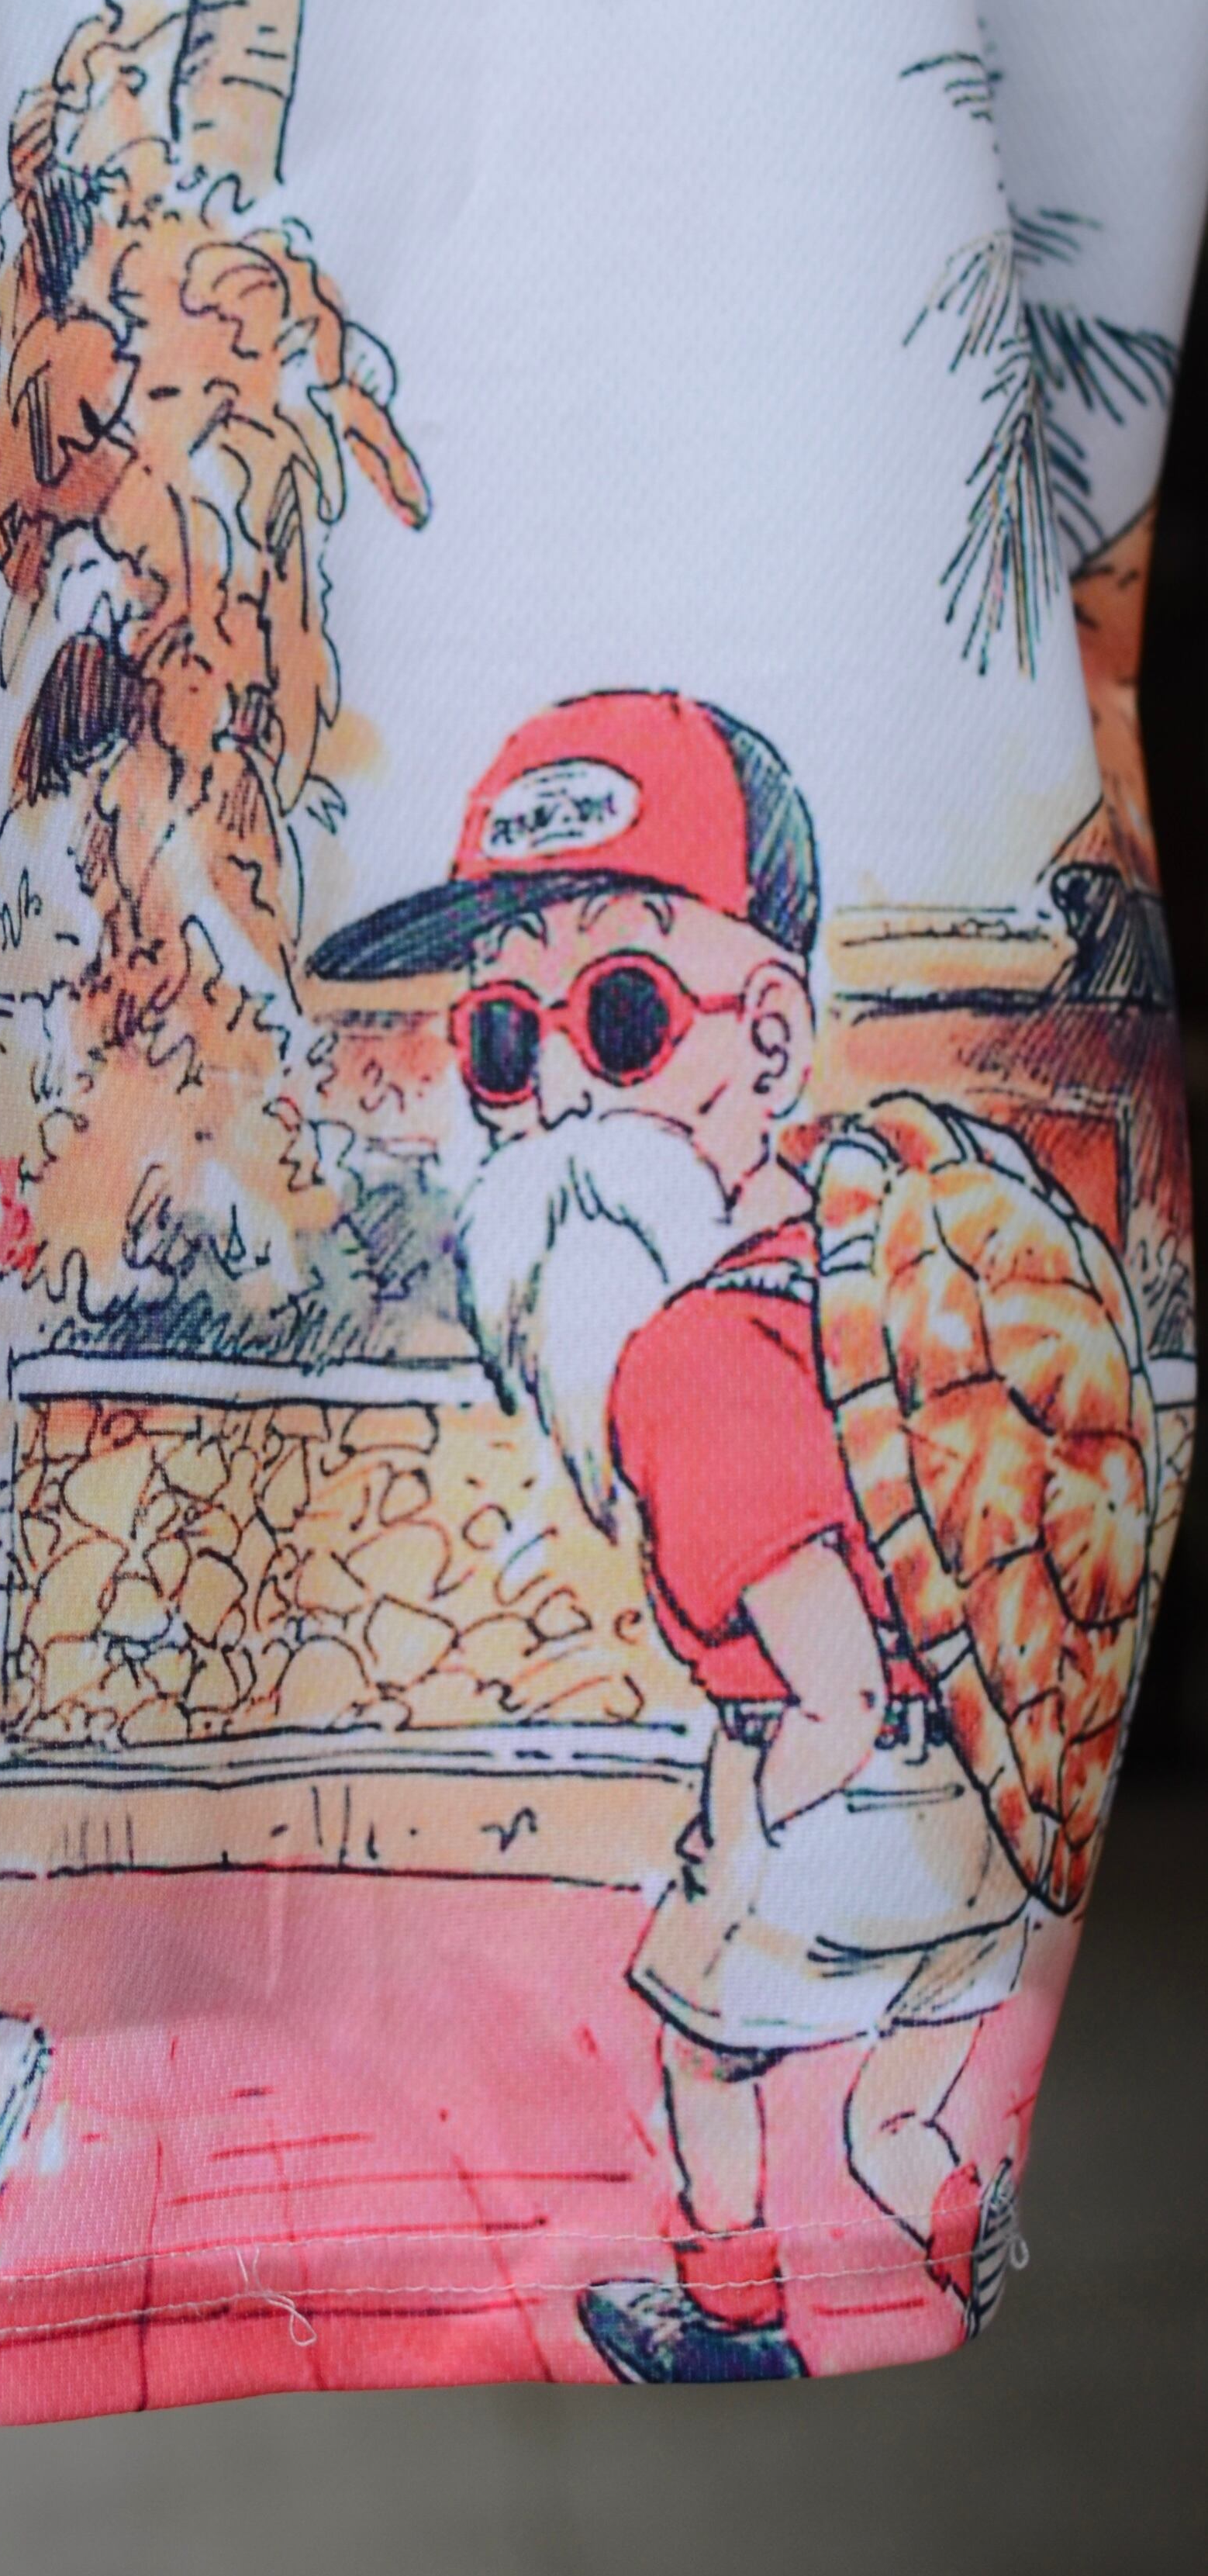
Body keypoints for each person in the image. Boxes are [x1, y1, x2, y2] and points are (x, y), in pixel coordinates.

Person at [315, 692, 1032, 2386]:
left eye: (622, 1018)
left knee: (704, 2047)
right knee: (898, 2100)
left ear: (771, 1039)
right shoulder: (868, 1248)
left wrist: (748, 1849)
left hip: (838, 1765)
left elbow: (833, 1688)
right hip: (990, 1795)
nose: (557, 1094)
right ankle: (949, 2213)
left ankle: (729, 2317)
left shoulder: (687, 1355)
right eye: (506, 1042)